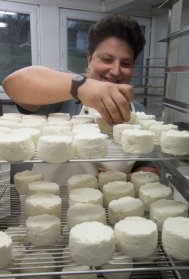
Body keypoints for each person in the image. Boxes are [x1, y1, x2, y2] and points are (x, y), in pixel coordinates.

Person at [2, 14, 158, 183]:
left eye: (125, 64)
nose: (115, 71)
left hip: (110, 206)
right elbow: (13, 84)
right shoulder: (62, 96)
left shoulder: (138, 113)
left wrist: (124, 179)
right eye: (107, 59)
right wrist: (81, 87)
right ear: (89, 60)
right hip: (50, 202)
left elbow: (150, 166)